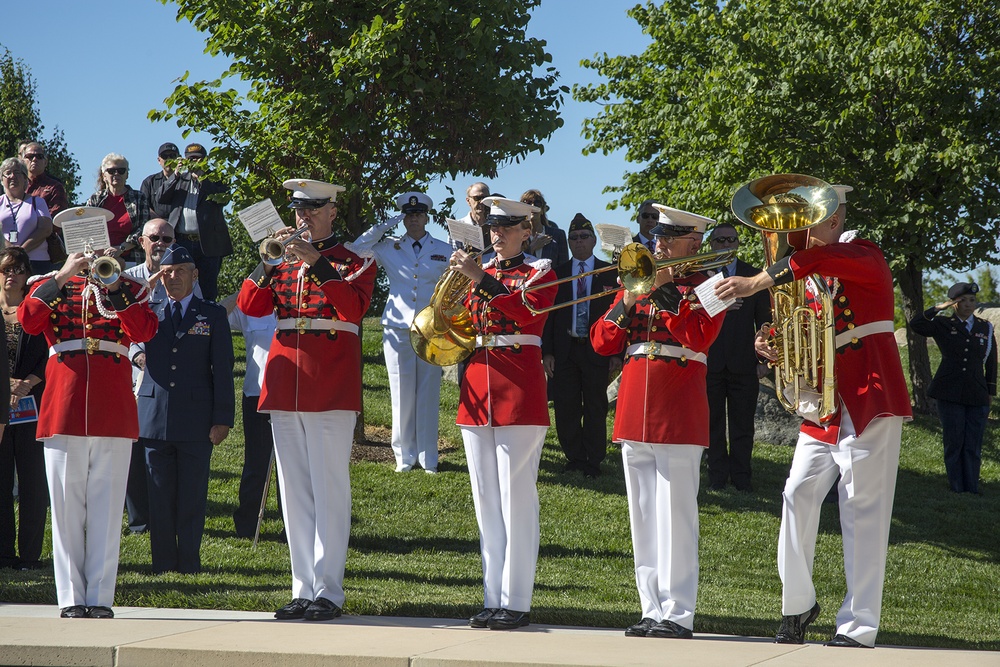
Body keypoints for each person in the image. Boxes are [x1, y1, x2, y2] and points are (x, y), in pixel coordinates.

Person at [715, 184, 912, 648]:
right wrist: (772, 341)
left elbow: (815, 264)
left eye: (807, 219)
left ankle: (858, 624)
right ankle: (798, 603)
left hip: (868, 393)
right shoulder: (808, 270)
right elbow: (802, 325)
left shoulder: (864, 253)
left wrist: (755, 281)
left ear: (834, 219)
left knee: (862, 510)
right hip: (823, 404)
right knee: (796, 495)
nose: (796, 230)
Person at [237, 178, 376, 622]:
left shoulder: (355, 260)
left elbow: (352, 309)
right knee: (293, 491)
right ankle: (302, 587)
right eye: (298, 210)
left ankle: (329, 591)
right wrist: (264, 262)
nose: (303, 217)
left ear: (333, 211)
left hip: (329, 383)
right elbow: (249, 305)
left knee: (329, 488)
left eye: (313, 209)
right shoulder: (280, 260)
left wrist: (317, 263)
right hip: (285, 380)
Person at [592, 205, 725, 640]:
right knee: (643, 516)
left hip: (679, 408)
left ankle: (678, 612)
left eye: (671, 238)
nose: (660, 243)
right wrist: (629, 298)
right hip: (635, 406)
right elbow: (602, 341)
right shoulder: (638, 281)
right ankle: (650, 608)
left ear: (695, 243)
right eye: (659, 237)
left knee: (676, 515)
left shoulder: (711, 285)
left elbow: (699, 336)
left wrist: (664, 291)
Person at [19, 206, 157, 619]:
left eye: (93, 233)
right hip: (63, 403)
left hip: (112, 405)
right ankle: (70, 598)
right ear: (63, 242)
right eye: (77, 236)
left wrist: (113, 285)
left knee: (106, 505)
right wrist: (63, 274)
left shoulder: (126, 283)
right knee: (65, 507)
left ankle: (99, 597)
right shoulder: (47, 284)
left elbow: (145, 331)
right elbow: (28, 321)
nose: (86, 243)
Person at [449, 196, 557, 631]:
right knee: (486, 504)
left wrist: (481, 280)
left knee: (517, 501)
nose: (497, 235)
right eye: (493, 227)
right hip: (477, 388)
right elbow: (459, 321)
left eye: (507, 228)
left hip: (519, 390)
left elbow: (527, 314)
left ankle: (517, 600)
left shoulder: (540, 271)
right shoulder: (483, 272)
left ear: (526, 232)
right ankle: (493, 597)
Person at [133, 246, 234, 574]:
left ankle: (189, 562)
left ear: (195, 274)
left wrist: (222, 419)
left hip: (195, 421)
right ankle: (162, 564)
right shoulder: (148, 310)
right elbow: (123, 317)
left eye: (179, 271)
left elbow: (222, 368)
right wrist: (145, 289)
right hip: (154, 419)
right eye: (166, 272)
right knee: (159, 499)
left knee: (192, 497)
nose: (172, 277)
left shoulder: (212, 314)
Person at [347, 191, 450, 473]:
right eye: (408, 214)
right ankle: (404, 456)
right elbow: (355, 251)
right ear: (403, 218)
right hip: (396, 326)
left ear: (427, 217)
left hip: (429, 329)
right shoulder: (388, 247)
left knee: (428, 391)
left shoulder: (444, 248)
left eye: (418, 214)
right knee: (400, 389)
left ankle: (429, 456)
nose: (413, 219)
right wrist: (382, 227)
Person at [542, 213, 619, 477]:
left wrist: (616, 353)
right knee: (566, 406)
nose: (579, 241)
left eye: (584, 236)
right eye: (573, 237)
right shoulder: (557, 273)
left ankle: (594, 460)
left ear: (594, 240)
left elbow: (618, 314)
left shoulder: (610, 272)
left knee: (596, 405)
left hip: (597, 349)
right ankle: (574, 457)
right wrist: (548, 352)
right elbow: (549, 316)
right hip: (565, 349)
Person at [908, 281, 996, 494]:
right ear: (954, 303)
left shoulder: (985, 326)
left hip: (977, 392)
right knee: (954, 440)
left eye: (972, 300)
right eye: (963, 300)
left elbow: (991, 360)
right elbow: (916, 324)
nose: (968, 304)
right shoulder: (944, 325)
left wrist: (991, 390)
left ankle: (972, 487)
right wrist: (939, 308)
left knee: (973, 443)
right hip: (950, 391)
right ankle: (957, 486)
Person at [704, 223, 770, 491]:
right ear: (712, 244)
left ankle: (742, 478)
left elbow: (765, 323)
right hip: (710, 363)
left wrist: (764, 361)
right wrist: (719, 306)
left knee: (743, 426)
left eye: (730, 239)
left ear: (738, 243)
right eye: (720, 240)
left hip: (744, 364)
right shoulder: (702, 277)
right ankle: (717, 477)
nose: (725, 244)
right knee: (713, 425)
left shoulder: (754, 276)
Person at [222, 295, 280, 538]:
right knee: (256, 463)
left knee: (293, 468)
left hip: (294, 394)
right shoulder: (250, 305)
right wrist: (249, 288)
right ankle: (247, 526)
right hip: (257, 394)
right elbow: (218, 315)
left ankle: (294, 527)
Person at [157, 143, 233, 301]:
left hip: (207, 244)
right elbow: (161, 198)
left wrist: (202, 180)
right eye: (190, 159)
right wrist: (175, 175)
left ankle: (208, 322)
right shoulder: (179, 178)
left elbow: (223, 199)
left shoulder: (217, 178)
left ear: (205, 160)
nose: (194, 163)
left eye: (198, 160)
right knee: (181, 283)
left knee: (207, 287)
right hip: (182, 241)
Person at [0, 249, 35, 570]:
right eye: (7, 269)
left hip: (33, 405)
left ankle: (30, 556)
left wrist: (25, 383)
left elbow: (50, 350)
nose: (12, 275)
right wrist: (7, 383)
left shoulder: (35, 310)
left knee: (32, 483)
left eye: (19, 269)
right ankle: (4, 554)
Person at [85, 153, 150, 265]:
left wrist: (121, 248)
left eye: (121, 171)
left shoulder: (139, 197)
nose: (116, 174)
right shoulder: (95, 199)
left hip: (133, 259)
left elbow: (143, 228)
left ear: (127, 175)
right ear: (104, 175)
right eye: (111, 171)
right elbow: (87, 229)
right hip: (100, 259)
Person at [1, 157, 54, 276]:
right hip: (4, 262)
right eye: (8, 173)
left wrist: (21, 251)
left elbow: (45, 229)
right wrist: (9, 251)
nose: (12, 176)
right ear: (2, 179)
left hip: (36, 262)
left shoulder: (37, 202)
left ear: (25, 178)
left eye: (17, 172)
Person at [20, 142, 69, 220]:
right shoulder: (16, 188)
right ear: (22, 162)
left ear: (45, 162)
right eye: (29, 156)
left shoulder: (55, 187)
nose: (34, 159)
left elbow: (56, 220)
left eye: (39, 156)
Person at [520, 189, 568, 265]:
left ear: (543, 210)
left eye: (537, 203)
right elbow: (515, 264)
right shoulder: (517, 236)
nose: (533, 206)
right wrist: (531, 249)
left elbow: (563, 267)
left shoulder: (558, 235)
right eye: (528, 203)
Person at [140, 143, 181, 220]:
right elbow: (144, 207)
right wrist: (161, 223)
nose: (169, 159)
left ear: (179, 158)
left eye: (172, 156)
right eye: (165, 156)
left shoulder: (186, 180)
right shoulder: (149, 182)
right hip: (159, 227)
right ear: (159, 160)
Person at [456, 181, 491, 249]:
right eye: (477, 198)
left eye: (485, 198)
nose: (481, 201)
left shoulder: (497, 225)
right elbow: (453, 254)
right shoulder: (458, 227)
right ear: (468, 201)